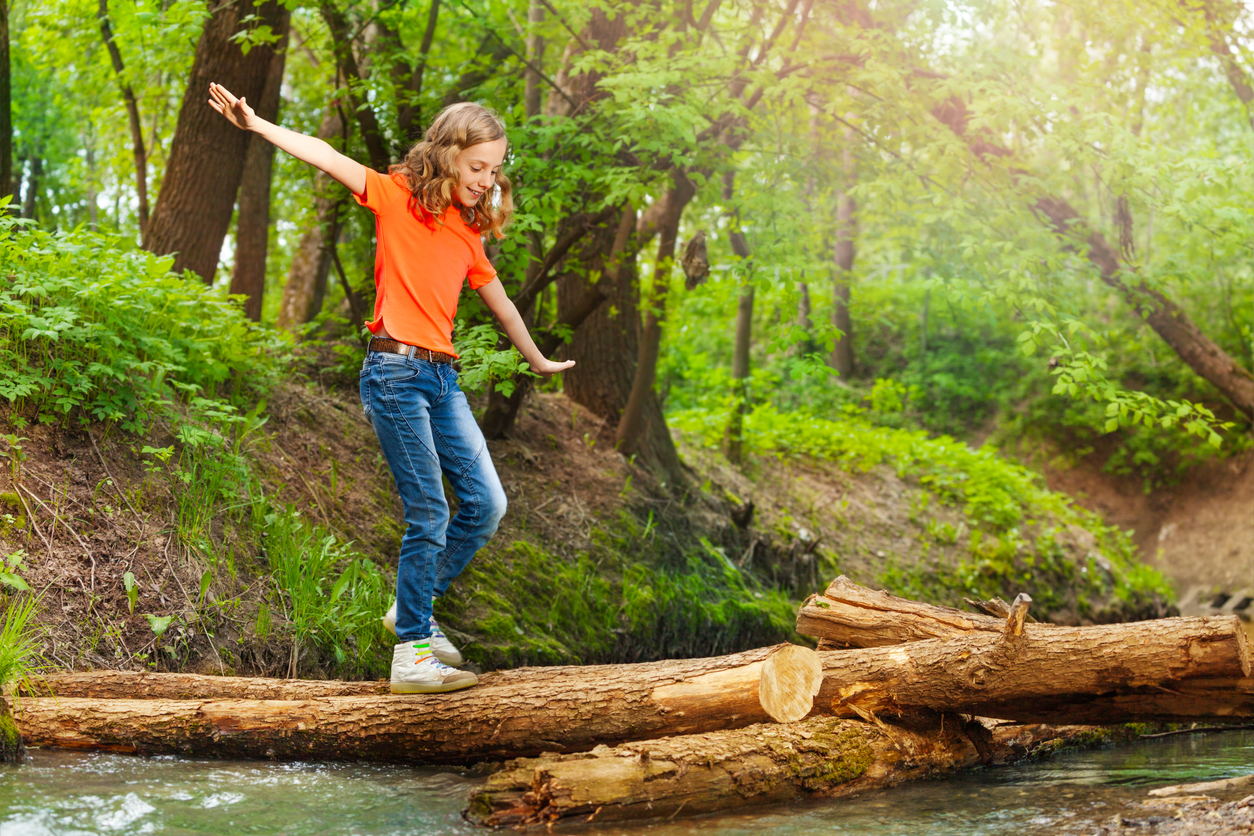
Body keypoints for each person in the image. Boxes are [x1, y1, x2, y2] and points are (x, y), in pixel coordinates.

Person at [208, 83, 574, 694]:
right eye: (478, 166)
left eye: (495, 169)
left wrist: (536, 360)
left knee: (487, 506)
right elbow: (324, 153)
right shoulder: (396, 193)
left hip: (442, 377)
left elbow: (502, 301)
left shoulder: (466, 230)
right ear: (449, 154)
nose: (488, 179)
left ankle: (413, 614)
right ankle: (412, 654)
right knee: (429, 509)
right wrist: (258, 125)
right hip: (394, 371)